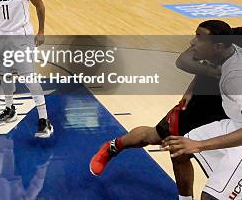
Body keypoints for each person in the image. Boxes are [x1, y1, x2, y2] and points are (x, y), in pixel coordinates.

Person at [89, 20, 229, 198]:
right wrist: (193, 87)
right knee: (166, 145)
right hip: (198, 108)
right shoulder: (232, 35)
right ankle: (112, 147)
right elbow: (185, 60)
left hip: (229, 116)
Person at [163, 22, 242, 200]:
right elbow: (183, 60)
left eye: (199, 38)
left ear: (218, 47)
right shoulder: (231, 46)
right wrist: (192, 87)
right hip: (236, 122)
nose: (192, 42)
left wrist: (199, 145)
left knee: (210, 197)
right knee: (180, 150)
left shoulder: (234, 78)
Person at [0, 0, 53, 138]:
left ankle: (44, 119)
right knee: (5, 76)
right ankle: (9, 108)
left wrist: (41, 31)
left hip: (21, 36)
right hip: (2, 36)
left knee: (29, 78)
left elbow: (40, 6)